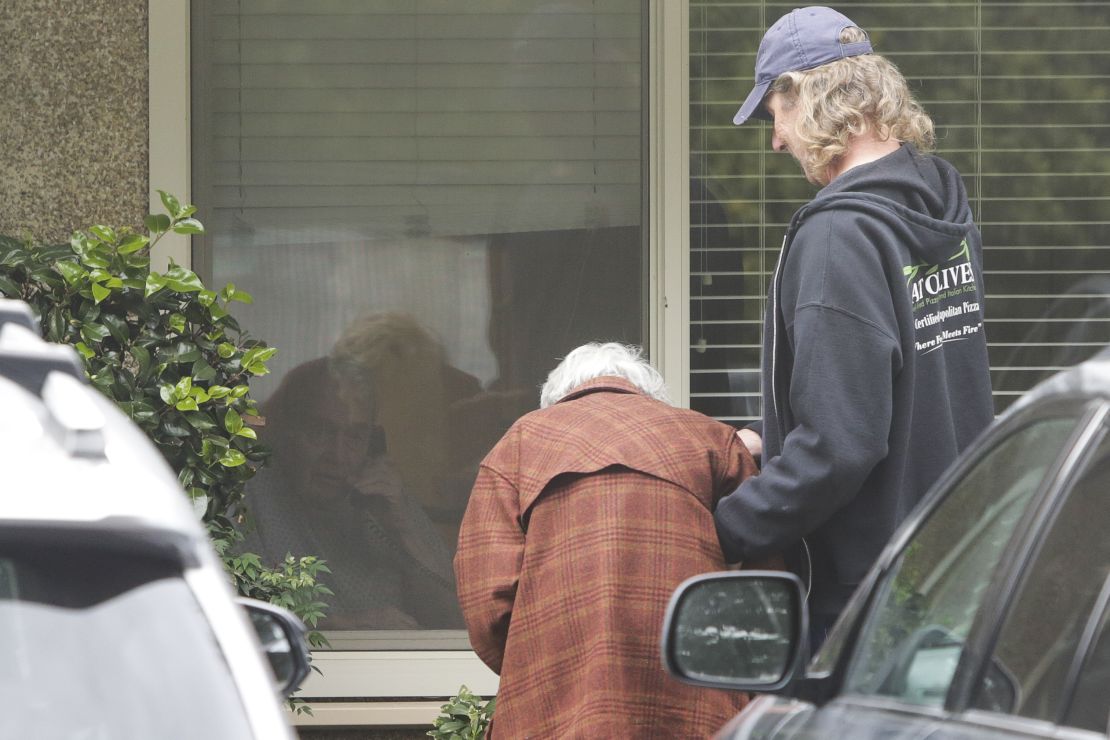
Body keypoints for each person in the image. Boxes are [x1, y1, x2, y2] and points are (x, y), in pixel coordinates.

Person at [714, 6, 995, 648]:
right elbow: (908, 388)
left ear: (805, 96)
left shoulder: (840, 235)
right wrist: (776, 437)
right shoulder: (938, 204)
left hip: (870, 606)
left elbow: (842, 446)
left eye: (773, 113)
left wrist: (724, 529)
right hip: (955, 568)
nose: (777, 139)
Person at [454, 342, 760, 739]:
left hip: (553, 712)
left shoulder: (519, 445)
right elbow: (762, 585)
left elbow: (487, 605)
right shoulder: (711, 438)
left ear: (559, 399)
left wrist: (542, 664)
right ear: (649, 395)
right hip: (695, 706)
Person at [244, 355, 462, 630]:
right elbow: (224, 621)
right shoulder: (250, 495)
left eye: (355, 436)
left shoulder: (384, 502)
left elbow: (456, 624)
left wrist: (403, 530)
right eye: (320, 431)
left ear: (373, 442)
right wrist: (340, 628)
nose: (338, 456)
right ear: (285, 431)